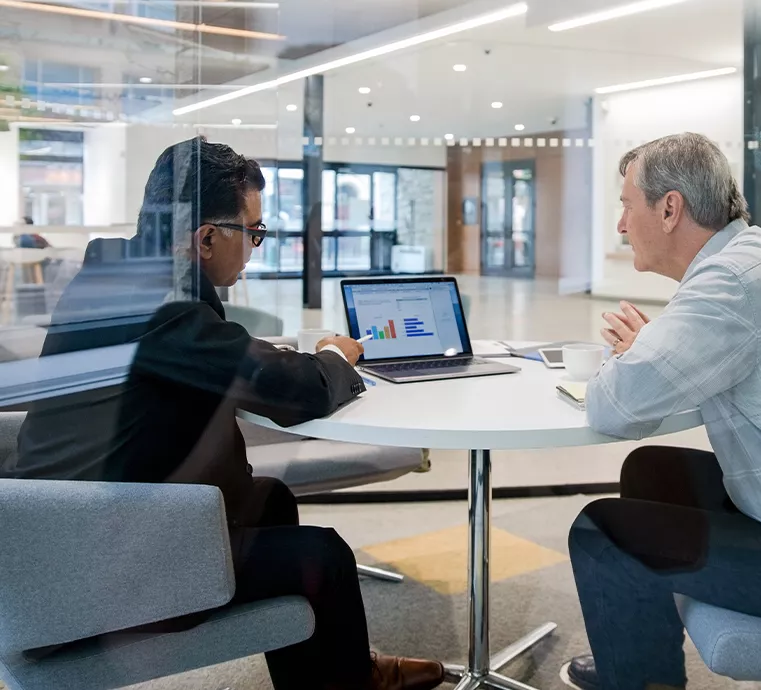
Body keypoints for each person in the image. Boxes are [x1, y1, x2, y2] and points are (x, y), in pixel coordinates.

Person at [7, 137, 444, 690]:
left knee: (270, 499)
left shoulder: (116, 277)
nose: (256, 245)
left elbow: (209, 362)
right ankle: (353, 680)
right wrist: (335, 355)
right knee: (324, 554)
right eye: (254, 232)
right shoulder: (161, 306)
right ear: (207, 237)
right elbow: (294, 392)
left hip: (73, 524)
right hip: (94, 562)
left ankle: (336, 671)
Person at [564, 132, 761, 690]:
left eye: (625, 205)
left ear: (669, 209)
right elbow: (693, 357)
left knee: (601, 532)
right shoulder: (755, 257)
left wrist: (637, 354)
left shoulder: (728, 283)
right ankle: (636, 657)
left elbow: (613, 407)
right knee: (653, 469)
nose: (619, 224)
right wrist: (652, 351)